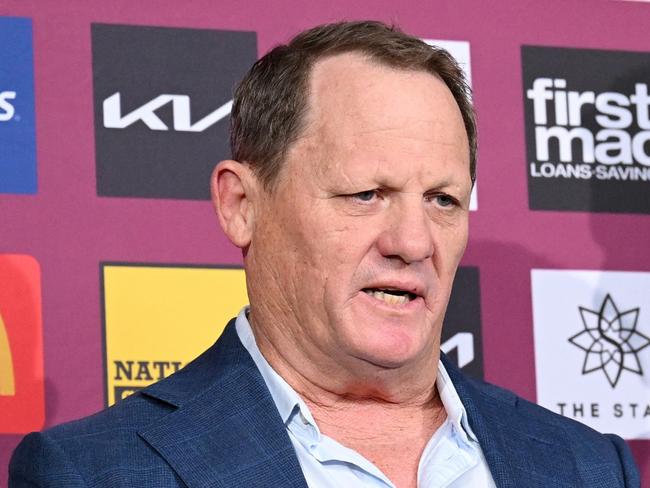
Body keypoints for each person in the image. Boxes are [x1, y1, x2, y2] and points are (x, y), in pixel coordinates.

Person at [10, 20, 640, 488]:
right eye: (366, 194)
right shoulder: (93, 473)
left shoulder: (586, 466)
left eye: (444, 199)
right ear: (241, 205)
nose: (413, 242)